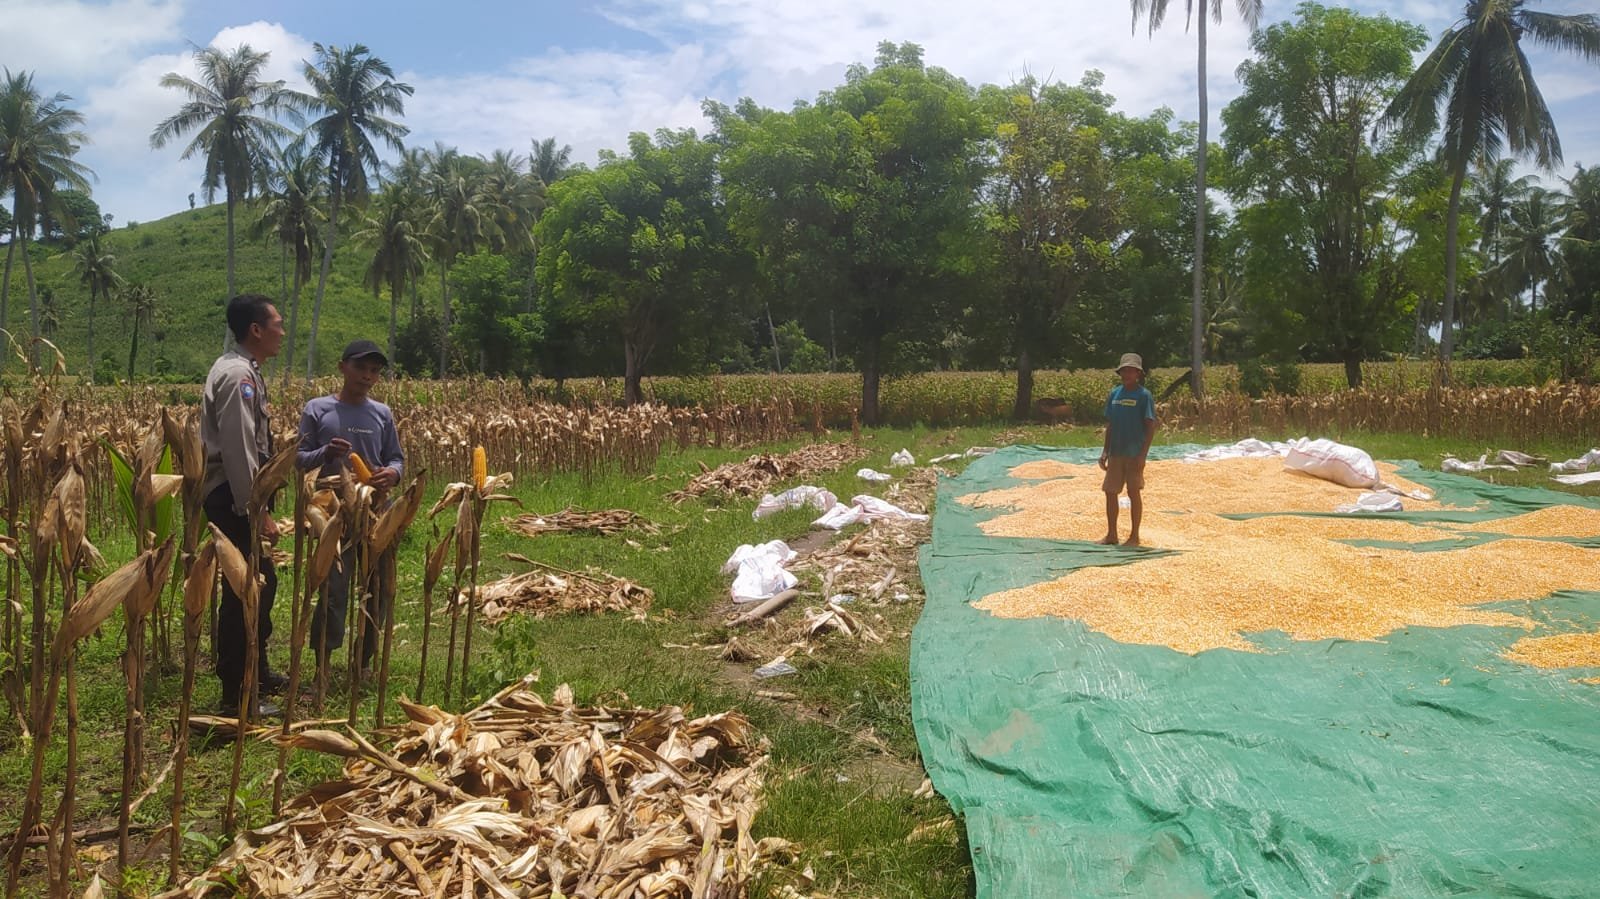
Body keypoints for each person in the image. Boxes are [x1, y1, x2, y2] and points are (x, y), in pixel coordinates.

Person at [296, 340, 404, 681]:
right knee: (332, 591)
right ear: (343, 367)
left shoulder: (382, 414)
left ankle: (365, 662)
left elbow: (396, 458)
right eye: (360, 368)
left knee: (378, 589)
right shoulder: (317, 409)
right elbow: (298, 458)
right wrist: (325, 454)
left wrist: (393, 473)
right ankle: (322, 666)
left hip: (375, 512)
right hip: (334, 515)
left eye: (374, 371)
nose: (368, 376)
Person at [201, 294, 287, 716]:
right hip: (234, 498)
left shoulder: (240, 369)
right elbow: (238, 449)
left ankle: (256, 672)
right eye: (277, 325)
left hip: (233, 496)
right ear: (255, 330)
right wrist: (255, 508)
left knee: (256, 584)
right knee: (246, 591)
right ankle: (237, 695)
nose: (281, 333)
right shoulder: (239, 376)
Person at [1098, 352, 1157, 547]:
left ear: (1138, 374)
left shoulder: (1143, 396)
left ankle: (1134, 537)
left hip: (1134, 453)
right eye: (1124, 371)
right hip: (1116, 452)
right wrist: (1105, 451)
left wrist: (1143, 455)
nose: (1127, 374)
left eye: (1131, 371)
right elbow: (1111, 424)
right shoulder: (1115, 394)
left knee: (1133, 492)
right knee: (1110, 491)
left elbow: (1150, 425)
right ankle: (1112, 534)